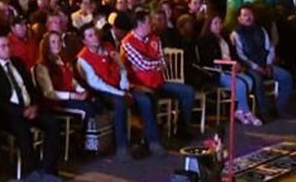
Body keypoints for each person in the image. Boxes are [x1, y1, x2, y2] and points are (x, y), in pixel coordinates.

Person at [0, 34, 63, 182]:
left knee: (53, 123)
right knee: (23, 130)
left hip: (29, 107)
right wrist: (21, 111)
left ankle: (48, 167)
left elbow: (31, 87)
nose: (7, 49)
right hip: (8, 114)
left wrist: (34, 106)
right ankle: (31, 170)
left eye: (8, 45)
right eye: (3, 46)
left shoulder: (18, 63)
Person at [77, 24, 159, 158]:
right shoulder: (83, 59)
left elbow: (121, 67)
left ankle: (152, 141)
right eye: (90, 36)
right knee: (121, 103)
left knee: (145, 99)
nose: (95, 37)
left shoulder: (108, 47)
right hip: (103, 91)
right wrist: (121, 93)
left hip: (120, 85)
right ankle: (122, 147)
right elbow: (96, 83)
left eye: (95, 33)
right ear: (84, 41)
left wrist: (124, 84)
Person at [120, 10, 196, 139]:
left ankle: (181, 129)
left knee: (188, 91)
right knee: (150, 99)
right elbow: (143, 64)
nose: (152, 24)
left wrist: (153, 64)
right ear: (140, 24)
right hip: (139, 85)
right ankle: (150, 137)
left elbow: (162, 61)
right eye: (149, 22)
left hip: (159, 82)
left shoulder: (155, 38)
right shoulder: (127, 43)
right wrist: (156, 64)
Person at [195, 13, 264, 125]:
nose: (218, 26)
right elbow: (208, 60)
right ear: (209, 25)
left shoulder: (225, 39)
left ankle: (239, 110)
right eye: (215, 23)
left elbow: (233, 54)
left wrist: (237, 64)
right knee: (240, 84)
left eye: (220, 23)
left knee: (249, 80)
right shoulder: (205, 40)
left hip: (229, 68)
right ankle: (247, 112)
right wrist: (228, 64)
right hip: (216, 72)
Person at [230, 5, 294, 118]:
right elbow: (241, 55)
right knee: (258, 81)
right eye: (245, 15)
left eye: (250, 15)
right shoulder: (236, 34)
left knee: (286, 77)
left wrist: (268, 64)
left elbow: (270, 48)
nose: (248, 17)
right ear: (239, 18)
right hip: (249, 67)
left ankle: (281, 108)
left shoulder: (261, 30)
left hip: (266, 64)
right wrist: (256, 67)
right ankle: (264, 112)